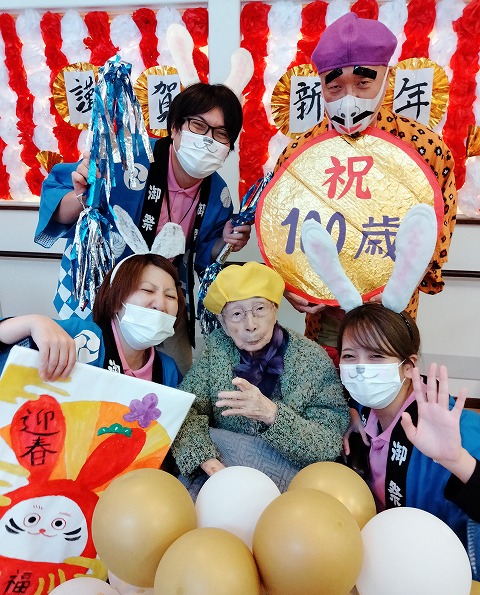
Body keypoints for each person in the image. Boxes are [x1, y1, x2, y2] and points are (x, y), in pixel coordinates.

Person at [35, 83, 251, 374]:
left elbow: (204, 251)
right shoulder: (125, 156)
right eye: (198, 126)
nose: (208, 140)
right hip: (103, 288)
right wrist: (83, 195)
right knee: (90, 372)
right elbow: (60, 208)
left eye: (221, 134)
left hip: (162, 297)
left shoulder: (218, 193)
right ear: (175, 128)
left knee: (176, 374)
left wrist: (225, 241)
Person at [276, 12, 457, 355]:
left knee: (389, 379)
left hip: (392, 308)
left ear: (386, 79)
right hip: (326, 312)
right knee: (324, 379)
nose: (350, 98)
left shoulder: (424, 148)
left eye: (363, 84)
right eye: (335, 87)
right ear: (321, 87)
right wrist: (290, 282)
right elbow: (281, 225)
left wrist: (405, 281)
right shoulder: (300, 154)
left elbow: (439, 226)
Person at [171, 261, 350, 493]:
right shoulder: (217, 348)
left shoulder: (311, 358)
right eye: (237, 314)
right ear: (223, 323)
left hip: (291, 485)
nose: (251, 325)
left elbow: (329, 444)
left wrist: (271, 414)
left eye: (260, 309)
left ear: (275, 311)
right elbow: (184, 410)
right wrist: (206, 459)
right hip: (223, 473)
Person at [338, 303, 480, 577]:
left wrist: (458, 461)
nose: (360, 369)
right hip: (380, 560)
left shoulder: (452, 428)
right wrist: (348, 414)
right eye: (349, 356)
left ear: (408, 366)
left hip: (436, 573)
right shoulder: (363, 410)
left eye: (376, 356)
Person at [0, 253, 183, 389]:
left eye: (170, 296)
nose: (160, 304)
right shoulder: (79, 335)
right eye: (148, 290)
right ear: (115, 300)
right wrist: (33, 323)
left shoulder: (168, 370)